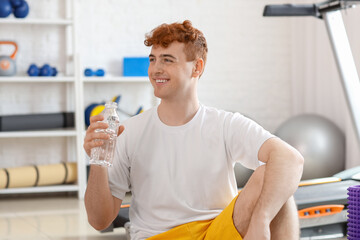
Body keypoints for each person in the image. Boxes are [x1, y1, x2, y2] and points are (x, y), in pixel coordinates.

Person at [84, 20, 304, 240]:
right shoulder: (129, 131)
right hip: (159, 236)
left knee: (276, 181)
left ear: (197, 67)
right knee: (277, 181)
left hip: (215, 231)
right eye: (153, 60)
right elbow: (99, 221)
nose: (156, 69)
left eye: (167, 60)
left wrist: (261, 220)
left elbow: (291, 159)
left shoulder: (225, 124)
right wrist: (98, 160)